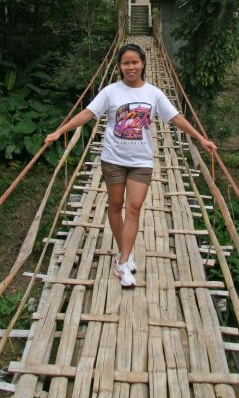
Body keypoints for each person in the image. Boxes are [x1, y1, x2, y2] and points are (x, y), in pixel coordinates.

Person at [45, 43, 217, 288]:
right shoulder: (110, 91)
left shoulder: (154, 94)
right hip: (113, 159)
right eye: (126, 63)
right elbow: (87, 114)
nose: (131, 66)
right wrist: (59, 131)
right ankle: (124, 250)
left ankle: (124, 262)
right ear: (119, 66)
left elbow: (175, 117)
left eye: (135, 62)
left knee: (133, 207)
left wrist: (201, 138)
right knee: (115, 206)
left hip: (141, 162)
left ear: (143, 63)